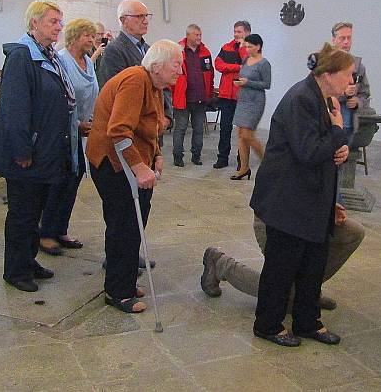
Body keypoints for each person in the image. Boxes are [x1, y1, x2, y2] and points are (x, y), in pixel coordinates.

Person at [251, 44, 353, 347]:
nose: (351, 83)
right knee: (282, 267)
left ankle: (308, 321)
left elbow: (322, 147)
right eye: (348, 76)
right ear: (330, 74)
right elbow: (308, 152)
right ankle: (267, 324)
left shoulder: (322, 98)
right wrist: (337, 132)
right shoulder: (302, 98)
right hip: (288, 199)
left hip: (310, 199)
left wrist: (341, 148)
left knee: (312, 264)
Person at [0, 1, 76, 292]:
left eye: (60, 22)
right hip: (27, 153)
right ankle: (15, 270)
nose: (59, 28)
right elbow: (15, 109)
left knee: (35, 210)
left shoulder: (47, 55)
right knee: (22, 213)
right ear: (34, 24)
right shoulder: (22, 56)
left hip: (46, 149)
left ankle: (29, 259)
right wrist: (22, 150)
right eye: (53, 22)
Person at [86, 40, 182, 314]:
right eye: (176, 65)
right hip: (113, 165)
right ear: (157, 65)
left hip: (135, 162)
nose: (180, 71)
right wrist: (140, 168)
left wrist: (157, 155)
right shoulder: (135, 81)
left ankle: (125, 282)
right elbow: (118, 131)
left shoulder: (153, 85)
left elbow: (151, 126)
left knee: (133, 227)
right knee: (122, 227)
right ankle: (116, 291)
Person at [200, 214, 364, 310]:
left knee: (353, 232)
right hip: (278, 220)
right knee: (284, 297)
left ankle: (307, 289)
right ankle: (220, 263)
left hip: (311, 216)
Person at [38, 18, 100, 255]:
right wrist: (75, 124)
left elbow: (93, 91)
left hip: (82, 131)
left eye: (93, 36)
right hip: (64, 131)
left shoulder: (87, 61)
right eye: (88, 36)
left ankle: (60, 229)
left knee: (72, 182)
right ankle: (45, 233)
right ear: (74, 37)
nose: (92, 41)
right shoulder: (62, 60)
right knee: (58, 183)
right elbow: (56, 100)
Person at [97, 0, 173, 138]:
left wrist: (166, 117)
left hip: (153, 130)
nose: (145, 20)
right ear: (123, 20)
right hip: (132, 132)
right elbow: (115, 92)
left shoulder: (149, 49)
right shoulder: (114, 50)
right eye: (139, 16)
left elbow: (164, 84)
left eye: (146, 16)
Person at [171, 24, 214, 167]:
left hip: (200, 98)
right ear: (188, 35)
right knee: (181, 127)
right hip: (183, 98)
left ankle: (196, 156)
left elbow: (210, 73)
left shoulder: (205, 52)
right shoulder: (178, 51)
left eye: (200, 35)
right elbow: (171, 73)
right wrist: (172, 93)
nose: (199, 38)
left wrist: (209, 92)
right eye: (196, 35)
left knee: (198, 129)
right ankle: (178, 156)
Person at [231, 34, 270, 180]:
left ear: (258, 46)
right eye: (246, 46)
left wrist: (247, 83)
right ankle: (244, 168)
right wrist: (240, 84)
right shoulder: (246, 59)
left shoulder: (264, 63)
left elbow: (267, 84)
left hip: (255, 101)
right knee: (240, 134)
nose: (247, 49)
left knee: (248, 135)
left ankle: (267, 163)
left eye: (250, 46)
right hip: (243, 99)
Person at [212, 21, 249, 169]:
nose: (236, 35)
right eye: (235, 31)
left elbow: (248, 66)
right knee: (225, 128)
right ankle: (222, 158)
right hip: (227, 95)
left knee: (243, 131)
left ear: (247, 33)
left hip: (243, 96)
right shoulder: (226, 47)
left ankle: (242, 162)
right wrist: (237, 67)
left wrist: (241, 48)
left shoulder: (251, 49)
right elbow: (218, 65)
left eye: (239, 32)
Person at [330, 22, 371, 142]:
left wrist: (357, 101)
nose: (346, 42)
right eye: (342, 38)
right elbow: (317, 93)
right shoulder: (325, 65)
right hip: (328, 121)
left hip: (350, 124)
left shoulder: (358, 67)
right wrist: (342, 93)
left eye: (349, 38)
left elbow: (365, 93)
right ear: (334, 40)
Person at [91, 21, 111, 87]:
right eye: (97, 34)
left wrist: (113, 41)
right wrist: (97, 53)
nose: (99, 37)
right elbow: (87, 66)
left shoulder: (107, 47)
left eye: (102, 34)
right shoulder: (88, 48)